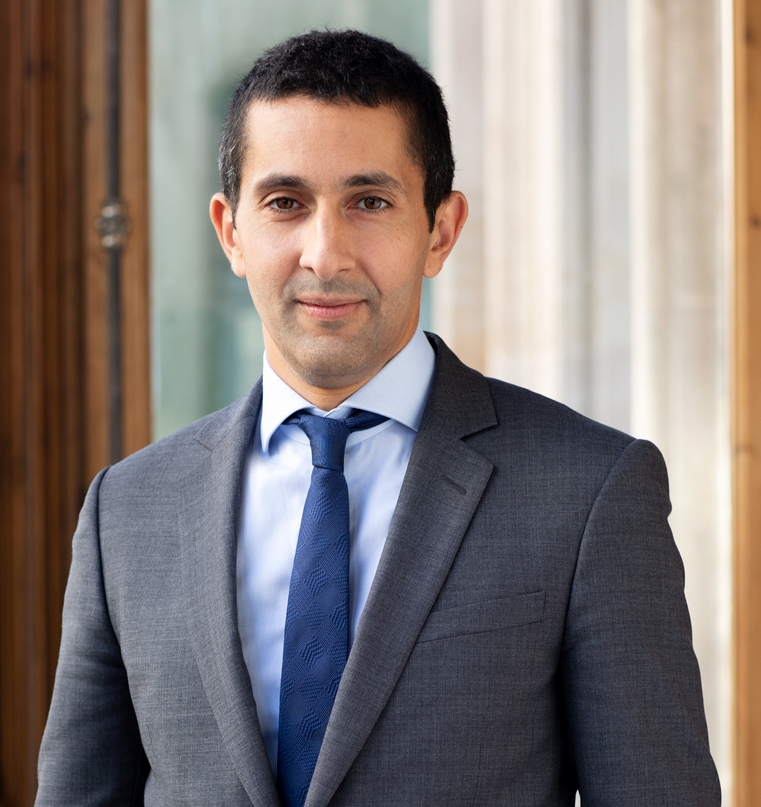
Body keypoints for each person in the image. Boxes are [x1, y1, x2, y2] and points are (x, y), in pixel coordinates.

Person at [36, 29, 721, 807]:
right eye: (285, 203)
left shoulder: (588, 492)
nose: (325, 255)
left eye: (368, 202)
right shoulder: (127, 512)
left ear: (440, 230)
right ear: (230, 231)